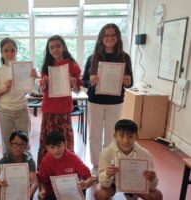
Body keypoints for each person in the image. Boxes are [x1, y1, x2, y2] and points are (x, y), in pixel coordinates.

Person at [82, 23, 133, 176]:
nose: (109, 38)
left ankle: (107, 164)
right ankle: (97, 165)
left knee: (112, 135)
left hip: (115, 102)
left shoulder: (125, 57)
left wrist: (127, 81)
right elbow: (84, 81)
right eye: (106, 35)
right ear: (101, 38)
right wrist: (90, 80)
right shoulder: (93, 58)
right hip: (95, 101)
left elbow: (131, 82)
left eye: (113, 35)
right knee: (94, 134)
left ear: (117, 37)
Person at [37, 35, 81, 167]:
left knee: (64, 141)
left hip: (64, 110)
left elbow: (78, 91)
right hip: (49, 109)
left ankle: (66, 168)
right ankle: (47, 169)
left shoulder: (73, 65)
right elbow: (41, 92)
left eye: (58, 46)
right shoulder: (46, 66)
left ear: (64, 47)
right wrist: (43, 84)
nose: (55, 50)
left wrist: (74, 83)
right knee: (49, 141)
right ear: (48, 50)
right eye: (51, 47)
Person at [94, 119, 163, 200]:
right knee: (100, 193)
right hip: (113, 183)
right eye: (121, 136)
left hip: (136, 184)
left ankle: (132, 195)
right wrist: (107, 174)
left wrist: (152, 179)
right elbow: (102, 182)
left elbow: (153, 186)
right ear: (115, 135)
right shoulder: (106, 153)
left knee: (157, 196)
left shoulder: (144, 154)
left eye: (130, 136)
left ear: (137, 137)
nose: (125, 140)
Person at [0, 37, 37, 154]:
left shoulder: (24, 68)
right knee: (7, 143)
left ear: (16, 51)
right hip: (5, 111)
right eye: (6, 50)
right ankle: (8, 169)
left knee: (23, 143)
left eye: (12, 50)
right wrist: (5, 88)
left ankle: (25, 168)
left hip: (22, 109)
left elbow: (33, 90)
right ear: (1, 52)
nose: (9, 53)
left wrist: (33, 78)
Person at [38, 132, 93, 200]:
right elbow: (42, 180)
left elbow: (89, 178)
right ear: (47, 148)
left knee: (82, 190)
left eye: (59, 146)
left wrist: (85, 184)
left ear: (65, 144)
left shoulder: (73, 158)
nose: (56, 150)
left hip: (73, 192)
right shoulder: (45, 161)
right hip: (53, 192)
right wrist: (43, 190)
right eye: (52, 147)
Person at [0, 130, 38, 200]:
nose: (18, 147)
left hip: (23, 193)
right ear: (10, 145)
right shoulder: (4, 160)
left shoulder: (29, 161)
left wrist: (28, 195)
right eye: (15, 144)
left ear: (26, 146)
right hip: (8, 192)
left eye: (22, 144)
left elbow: (34, 183)